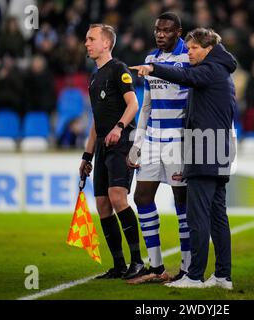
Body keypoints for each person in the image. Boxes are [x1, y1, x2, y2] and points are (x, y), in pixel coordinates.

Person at [130, 27, 237, 290]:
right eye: (187, 48)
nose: (188, 53)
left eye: (193, 49)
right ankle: (223, 276)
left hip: (206, 149)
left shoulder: (210, 70)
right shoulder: (219, 69)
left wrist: (153, 68)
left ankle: (194, 275)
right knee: (216, 216)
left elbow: (185, 76)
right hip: (216, 149)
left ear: (208, 48)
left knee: (197, 215)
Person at [125, 12, 191, 284]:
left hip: (177, 141)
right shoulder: (150, 59)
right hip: (152, 139)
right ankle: (156, 266)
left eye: (166, 30)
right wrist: (136, 143)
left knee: (182, 203)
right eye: (157, 30)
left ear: (179, 31)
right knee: (141, 197)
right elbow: (147, 105)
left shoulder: (190, 58)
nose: (160, 34)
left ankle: (188, 267)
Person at [80, 24, 147, 280]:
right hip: (101, 146)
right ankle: (119, 265)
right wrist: (87, 157)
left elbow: (134, 104)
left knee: (118, 197)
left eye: (91, 39)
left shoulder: (119, 69)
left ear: (106, 43)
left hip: (120, 143)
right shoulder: (94, 78)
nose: (86, 43)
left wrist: (119, 127)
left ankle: (137, 261)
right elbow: (96, 123)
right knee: (102, 204)